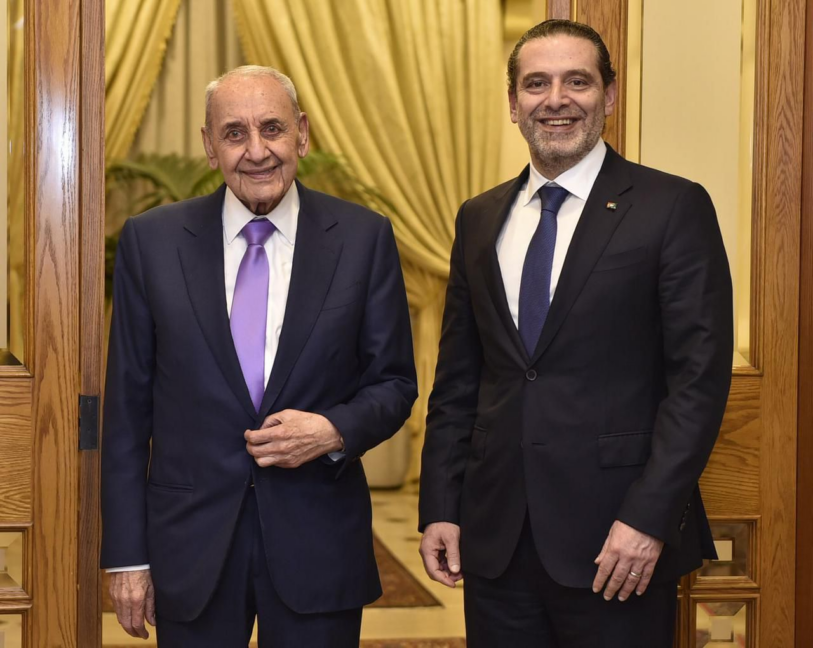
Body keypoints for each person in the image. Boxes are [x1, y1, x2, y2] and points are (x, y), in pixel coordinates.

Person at [418, 19, 732, 647]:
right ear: (513, 103)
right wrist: (441, 507)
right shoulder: (478, 218)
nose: (556, 99)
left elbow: (697, 384)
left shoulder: (672, 207)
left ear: (608, 95)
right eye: (536, 84)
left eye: (577, 82)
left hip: (618, 545)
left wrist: (648, 517)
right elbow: (457, 382)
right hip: (496, 543)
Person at [101, 65, 417, 647]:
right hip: (190, 548)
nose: (256, 151)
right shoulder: (151, 242)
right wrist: (127, 557)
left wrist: (332, 430)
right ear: (209, 146)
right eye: (234, 133)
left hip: (318, 543)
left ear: (302, 133)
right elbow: (125, 413)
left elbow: (394, 382)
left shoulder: (363, 238)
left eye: (272, 128)